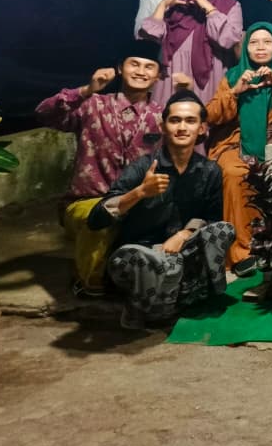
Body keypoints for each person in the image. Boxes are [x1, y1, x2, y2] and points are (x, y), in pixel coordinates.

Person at [87, 90, 234, 330]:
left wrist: (184, 234)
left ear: (201, 128)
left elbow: (212, 217)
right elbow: (95, 219)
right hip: (142, 256)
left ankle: (165, 297)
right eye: (175, 120)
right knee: (142, 260)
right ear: (163, 126)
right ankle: (160, 299)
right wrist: (139, 192)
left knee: (222, 230)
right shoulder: (144, 167)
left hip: (184, 253)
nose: (182, 127)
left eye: (190, 121)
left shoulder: (210, 171)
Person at [34, 42, 165, 297]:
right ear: (120, 68)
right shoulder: (92, 105)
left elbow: (197, 134)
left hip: (138, 201)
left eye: (149, 67)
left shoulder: (162, 115)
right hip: (89, 200)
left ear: (158, 76)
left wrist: (185, 96)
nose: (141, 71)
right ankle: (89, 283)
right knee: (103, 216)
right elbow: (44, 113)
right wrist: (85, 90)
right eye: (134, 64)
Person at [204, 23, 272, 274]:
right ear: (246, 48)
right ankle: (242, 252)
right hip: (235, 143)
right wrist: (235, 92)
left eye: (267, 42)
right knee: (234, 173)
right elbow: (212, 115)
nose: (260, 47)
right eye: (254, 42)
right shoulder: (233, 75)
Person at [138, 0, 243, 106]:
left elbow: (228, 39)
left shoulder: (230, 6)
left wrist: (207, 6)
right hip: (174, 73)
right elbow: (148, 40)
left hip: (211, 75)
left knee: (206, 114)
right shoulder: (178, 4)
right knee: (170, 114)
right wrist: (163, 5)